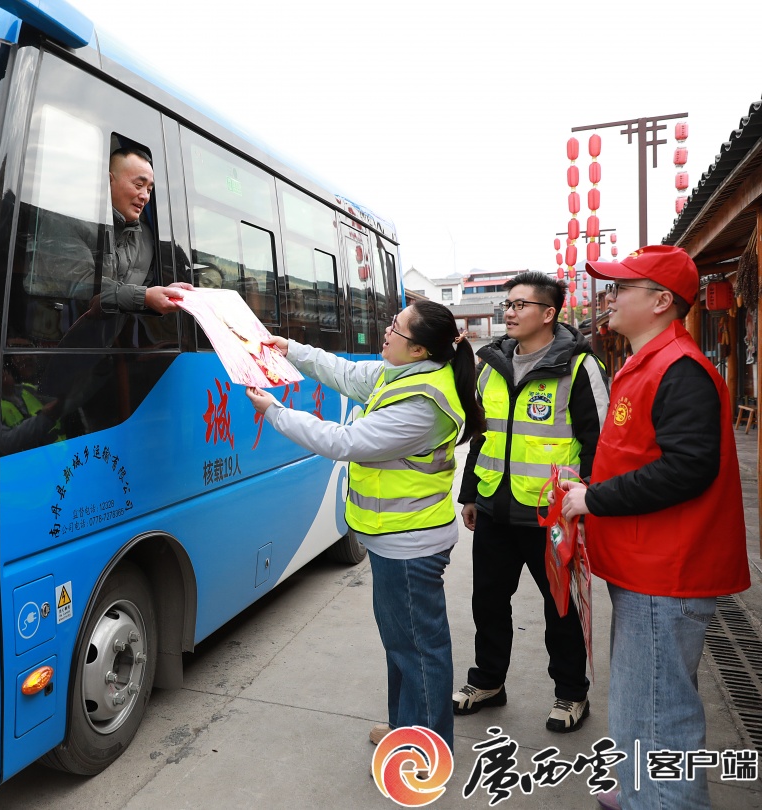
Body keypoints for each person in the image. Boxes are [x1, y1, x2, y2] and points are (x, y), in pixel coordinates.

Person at [558, 245, 749, 810]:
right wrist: (588, 482)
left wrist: (594, 498)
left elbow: (687, 468)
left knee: (660, 710)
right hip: (646, 566)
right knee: (640, 701)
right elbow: (638, 454)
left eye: (623, 288)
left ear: (662, 301)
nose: (610, 298)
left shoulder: (680, 369)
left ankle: (662, 799)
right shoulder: (650, 362)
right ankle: (643, 790)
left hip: (667, 571)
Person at [245, 299, 485, 750]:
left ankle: (427, 752)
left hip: (411, 544)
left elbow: (345, 441)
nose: (387, 331)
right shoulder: (405, 375)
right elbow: (347, 373)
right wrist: (291, 349)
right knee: (402, 646)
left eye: (396, 328)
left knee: (419, 651)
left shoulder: (422, 402)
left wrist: (275, 412)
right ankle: (405, 729)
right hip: (395, 538)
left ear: (419, 350)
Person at [453, 271, 609, 733]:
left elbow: (601, 442)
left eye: (521, 304)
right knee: (488, 602)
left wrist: (591, 502)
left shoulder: (580, 368)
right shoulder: (491, 364)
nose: (510, 312)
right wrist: (470, 494)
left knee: (560, 608)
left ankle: (571, 693)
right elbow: (482, 435)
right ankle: (488, 682)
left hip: (552, 515)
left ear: (548, 313)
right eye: (508, 304)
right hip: (494, 510)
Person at [102, 147, 191, 315]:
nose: (145, 196)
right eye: (138, 185)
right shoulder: (80, 222)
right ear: (108, 181)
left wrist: (166, 294)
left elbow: (146, 292)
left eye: (149, 190)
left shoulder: (147, 239)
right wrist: (144, 297)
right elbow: (82, 287)